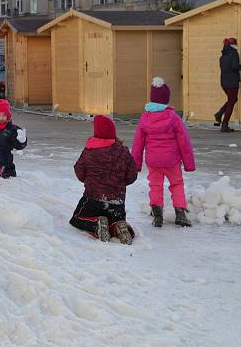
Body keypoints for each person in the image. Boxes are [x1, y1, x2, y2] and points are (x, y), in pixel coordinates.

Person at [132, 77, 196, 228]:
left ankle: (157, 215)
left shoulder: (145, 117)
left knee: (155, 185)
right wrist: (189, 164)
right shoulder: (173, 117)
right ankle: (180, 213)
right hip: (172, 161)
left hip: (153, 161)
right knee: (176, 184)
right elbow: (184, 142)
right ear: (166, 100)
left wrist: (136, 164)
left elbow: (137, 143)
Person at [71, 115, 137, 244]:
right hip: (117, 202)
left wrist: (90, 181)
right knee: (114, 219)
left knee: (77, 218)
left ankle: (96, 225)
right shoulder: (124, 152)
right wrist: (119, 184)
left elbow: (79, 172)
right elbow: (132, 176)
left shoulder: (89, 151)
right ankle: (118, 226)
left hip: (93, 200)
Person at [214, 37, 241, 132]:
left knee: (232, 100)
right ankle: (224, 125)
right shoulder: (234, 54)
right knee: (231, 102)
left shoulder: (222, 56)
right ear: (233, 45)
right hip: (232, 83)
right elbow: (234, 66)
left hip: (224, 82)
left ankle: (220, 113)